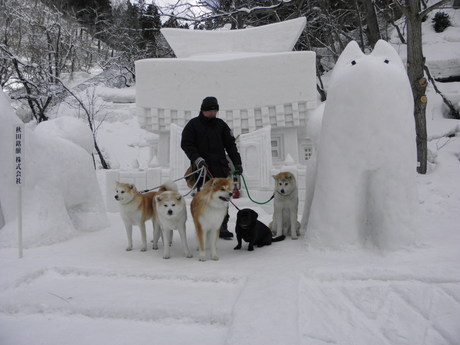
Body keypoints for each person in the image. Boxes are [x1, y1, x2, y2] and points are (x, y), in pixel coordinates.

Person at [181, 96, 243, 239]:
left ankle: (222, 227)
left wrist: (237, 163)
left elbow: (231, 146)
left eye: (214, 111)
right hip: (202, 170)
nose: (212, 113)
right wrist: (197, 159)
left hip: (221, 169)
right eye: (209, 111)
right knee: (204, 200)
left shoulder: (221, 125)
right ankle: (205, 227)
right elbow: (186, 144)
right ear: (202, 110)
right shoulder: (193, 125)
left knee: (223, 198)